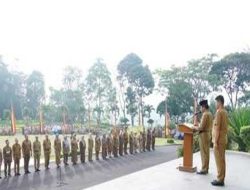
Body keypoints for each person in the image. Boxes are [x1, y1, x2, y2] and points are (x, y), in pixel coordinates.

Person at [211, 95, 228, 186]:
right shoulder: (225, 112)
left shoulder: (219, 112)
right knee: (222, 160)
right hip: (223, 139)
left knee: (219, 160)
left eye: (216, 102)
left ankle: (220, 179)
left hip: (218, 140)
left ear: (219, 102)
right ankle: (221, 178)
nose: (215, 104)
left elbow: (217, 128)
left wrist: (216, 142)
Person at [194, 100, 213, 175]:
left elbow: (201, 127)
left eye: (201, 107)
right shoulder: (210, 114)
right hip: (207, 134)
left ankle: (204, 169)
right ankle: (206, 168)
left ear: (204, 107)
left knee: (204, 153)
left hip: (203, 135)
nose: (201, 109)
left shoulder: (205, 114)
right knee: (206, 152)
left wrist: (194, 127)